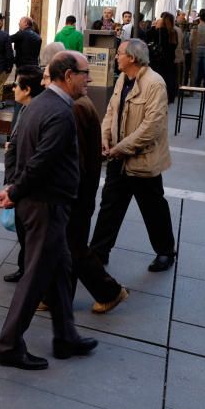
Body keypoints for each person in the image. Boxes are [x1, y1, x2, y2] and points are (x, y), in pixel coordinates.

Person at [0, 51, 98, 370]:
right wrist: (14, 190)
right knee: (36, 276)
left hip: (42, 204)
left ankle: (66, 336)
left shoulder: (40, 104)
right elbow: (41, 162)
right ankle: (8, 345)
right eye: (85, 73)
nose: (89, 79)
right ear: (68, 76)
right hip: (46, 206)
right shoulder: (60, 112)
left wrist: (14, 188)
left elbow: (20, 152)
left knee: (61, 271)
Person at [89, 39, 177, 272]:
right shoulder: (122, 79)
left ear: (133, 58)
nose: (116, 57)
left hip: (142, 158)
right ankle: (99, 252)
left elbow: (152, 127)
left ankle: (166, 252)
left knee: (153, 207)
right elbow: (111, 110)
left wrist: (121, 147)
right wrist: (104, 137)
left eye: (119, 53)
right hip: (119, 157)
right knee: (110, 205)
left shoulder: (154, 84)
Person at [68, 75, 128, 314]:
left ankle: (109, 291)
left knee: (74, 247)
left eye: (47, 77)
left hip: (78, 192)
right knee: (67, 247)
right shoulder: (79, 104)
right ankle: (56, 297)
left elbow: (78, 158)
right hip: (82, 189)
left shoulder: (76, 107)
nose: (44, 82)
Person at [1, 65, 45, 283]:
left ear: (27, 89)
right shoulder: (26, 110)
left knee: (28, 232)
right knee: (23, 231)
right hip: (19, 180)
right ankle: (24, 267)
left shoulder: (36, 113)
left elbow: (34, 157)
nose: (13, 89)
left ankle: (29, 273)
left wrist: (14, 185)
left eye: (16, 85)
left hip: (26, 184)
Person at [147, 13, 178, 103]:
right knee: (169, 79)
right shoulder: (173, 32)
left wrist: (155, 26)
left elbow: (148, 35)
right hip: (170, 61)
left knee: (160, 80)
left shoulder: (159, 31)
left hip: (159, 61)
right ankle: (170, 97)